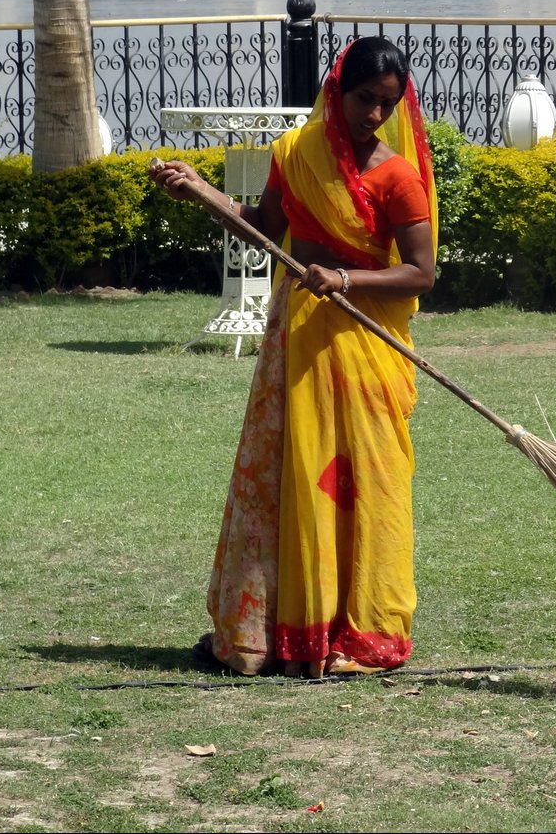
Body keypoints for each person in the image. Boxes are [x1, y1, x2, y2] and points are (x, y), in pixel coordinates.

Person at [150, 36, 438, 677]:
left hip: (364, 345)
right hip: (297, 343)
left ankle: (360, 632)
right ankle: (271, 633)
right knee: (287, 478)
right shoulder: (294, 154)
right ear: (337, 92)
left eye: (387, 105)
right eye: (364, 100)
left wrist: (346, 281)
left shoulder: (398, 176)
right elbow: (265, 228)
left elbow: (422, 274)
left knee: (363, 483)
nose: (373, 116)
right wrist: (200, 192)